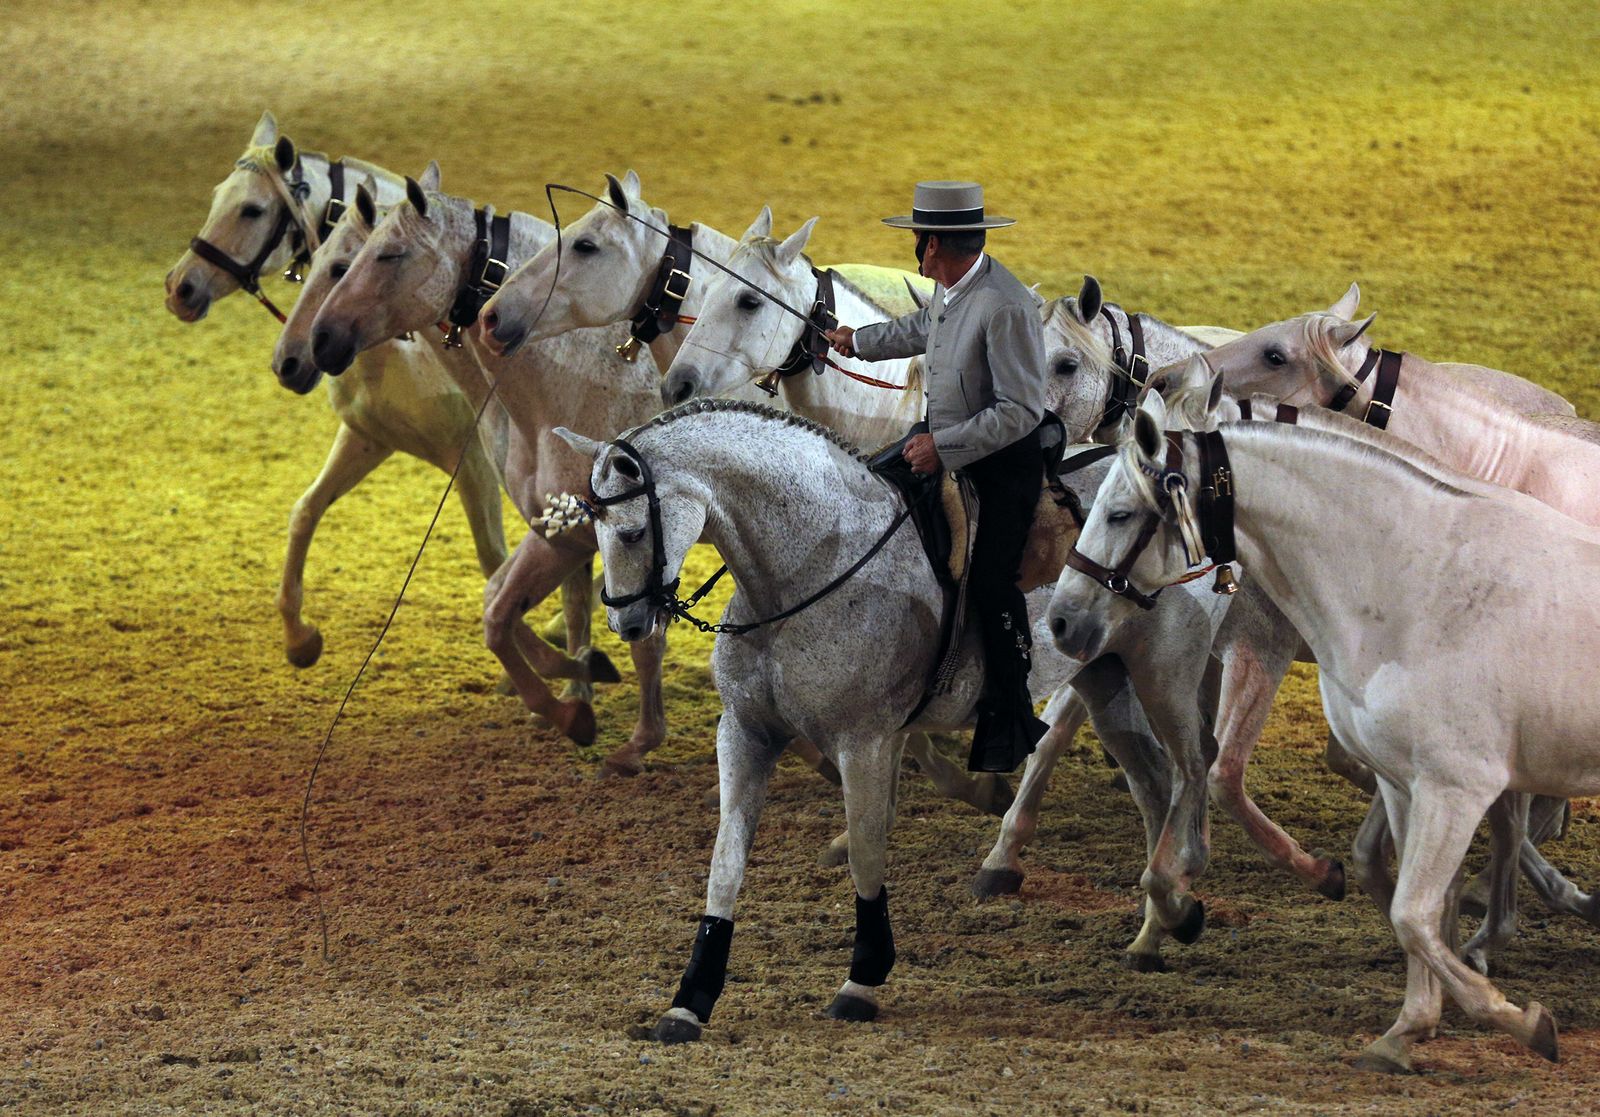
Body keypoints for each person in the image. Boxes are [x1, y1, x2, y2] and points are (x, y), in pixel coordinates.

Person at [826, 181, 1049, 772]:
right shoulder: (953, 287)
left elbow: (1021, 412)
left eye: (916, 239)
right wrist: (857, 342)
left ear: (933, 245)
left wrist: (944, 448)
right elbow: (924, 327)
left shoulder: (1005, 306)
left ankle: (1010, 709)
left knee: (991, 581)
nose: (914, 249)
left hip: (1000, 465)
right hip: (942, 442)